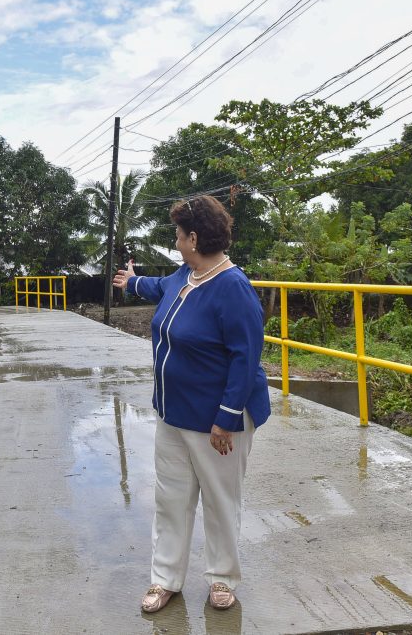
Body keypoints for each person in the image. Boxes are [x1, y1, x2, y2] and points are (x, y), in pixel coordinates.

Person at [112, 194, 271, 613]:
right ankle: (165, 580)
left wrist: (227, 418)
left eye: (179, 236)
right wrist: (131, 282)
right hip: (174, 413)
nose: (176, 242)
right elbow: (158, 286)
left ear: (195, 238)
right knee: (171, 499)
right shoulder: (186, 275)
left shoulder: (233, 288)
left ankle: (222, 579)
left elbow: (246, 357)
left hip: (216, 421)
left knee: (220, 500)